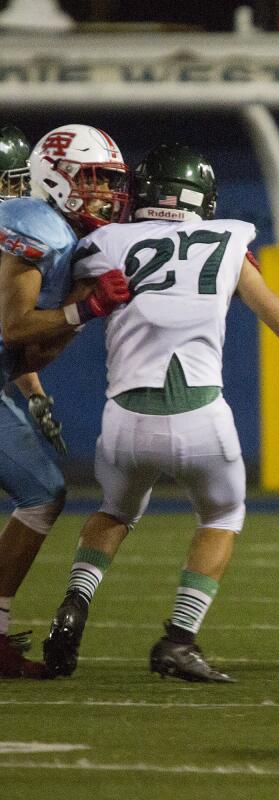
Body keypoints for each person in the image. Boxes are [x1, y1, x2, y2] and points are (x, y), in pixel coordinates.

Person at [41, 143, 279, 682]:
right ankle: (179, 639)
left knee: (116, 512)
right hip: (201, 418)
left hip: (123, 419)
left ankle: (76, 599)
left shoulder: (104, 243)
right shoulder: (229, 241)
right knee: (221, 516)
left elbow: (60, 323)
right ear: (202, 200)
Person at [0, 124, 132, 679]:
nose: (105, 193)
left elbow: (26, 350)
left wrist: (33, 389)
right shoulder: (37, 227)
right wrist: (85, 309)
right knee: (41, 492)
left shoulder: (60, 234)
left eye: (108, 182)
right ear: (55, 175)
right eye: (95, 179)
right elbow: (12, 324)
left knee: (43, 492)